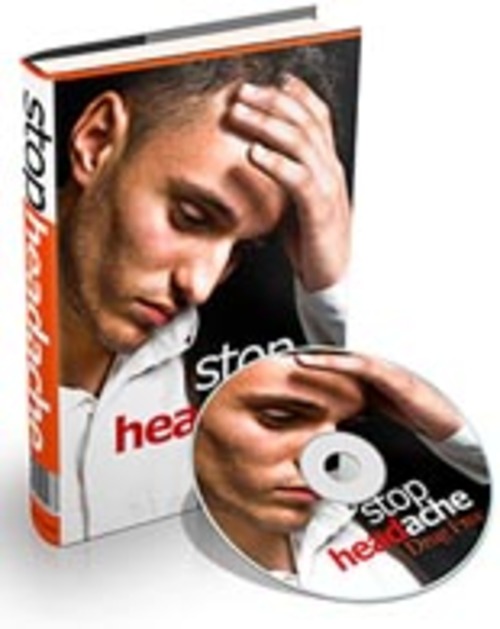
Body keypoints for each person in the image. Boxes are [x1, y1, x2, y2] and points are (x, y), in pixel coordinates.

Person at [55, 44, 356, 543]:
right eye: (191, 217)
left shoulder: (227, 370)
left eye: (241, 249)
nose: (201, 285)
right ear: (97, 140)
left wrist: (332, 284)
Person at [194, 350, 489, 600]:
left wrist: (453, 428)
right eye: (280, 418)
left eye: (346, 429)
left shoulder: (376, 522)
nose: (325, 460)